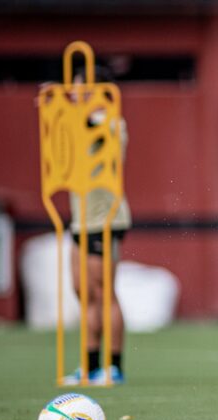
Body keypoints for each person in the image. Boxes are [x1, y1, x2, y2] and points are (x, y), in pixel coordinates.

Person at [62, 66, 132, 386]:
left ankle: (114, 364)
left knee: (104, 293)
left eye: (83, 91)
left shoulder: (111, 123)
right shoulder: (77, 123)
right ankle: (89, 364)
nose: (76, 96)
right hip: (80, 218)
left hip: (105, 219)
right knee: (83, 291)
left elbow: (92, 132)